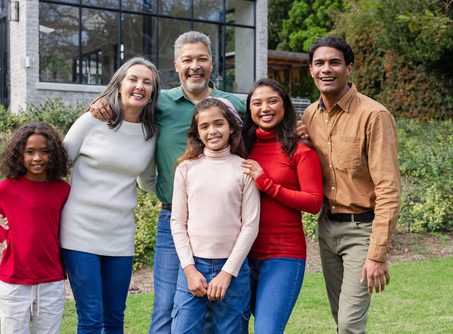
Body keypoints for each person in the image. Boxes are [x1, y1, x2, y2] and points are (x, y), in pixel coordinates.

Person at [90, 31, 247, 333]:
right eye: (187, 59)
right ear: (176, 65)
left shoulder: (233, 106)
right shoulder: (159, 104)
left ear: (212, 63)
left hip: (224, 220)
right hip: (172, 217)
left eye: (202, 58)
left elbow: (267, 129)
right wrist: (98, 105)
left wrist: (299, 129)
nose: (195, 66)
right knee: (165, 306)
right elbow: (125, 104)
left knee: (219, 307)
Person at [302, 35, 401, 333]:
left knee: (348, 323)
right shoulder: (309, 115)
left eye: (334, 62)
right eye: (319, 63)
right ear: (311, 70)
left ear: (349, 68)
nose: (326, 69)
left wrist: (377, 253)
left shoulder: (374, 115)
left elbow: (389, 188)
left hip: (362, 230)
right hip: (326, 227)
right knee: (340, 317)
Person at [59, 56, 160, 333]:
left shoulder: (150, 133)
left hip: (120, 236)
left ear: (153, 91)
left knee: (114, 318)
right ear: (119, 85)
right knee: (91, 318)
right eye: (133, 79)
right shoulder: (91, 121)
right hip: (79, 232)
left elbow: (148, 181)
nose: (139, 86)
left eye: (147, 82)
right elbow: (57, 168)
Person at [0, 122, 71, 334]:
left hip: (51, 281)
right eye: (29, 152)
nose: (37, 158)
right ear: (19, 155)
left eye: (45, 152)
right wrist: (2, 234)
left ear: (54, 154)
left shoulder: (63, 190)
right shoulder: (7, 188)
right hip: (14, 282)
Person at [171, 97, 260, 333]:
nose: (212, 131)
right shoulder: (186, 168)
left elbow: (250, 226)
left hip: (233, 269)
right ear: (197, 133)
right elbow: (178, 222)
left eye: (218, 124)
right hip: (193, 265)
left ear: (231, 127)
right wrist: (189, 269)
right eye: (204, 126)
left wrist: (227, 272)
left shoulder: (245, 168)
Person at [240, 78, 324, 333]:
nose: (265, 108)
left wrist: (266, 183)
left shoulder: (300, 149)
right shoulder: (240, 147)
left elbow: (314, 202)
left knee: (267, 330)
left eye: (272, 101)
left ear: (285, 107)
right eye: (257, 103)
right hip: (239, 255)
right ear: (250, 110)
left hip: (283, 255)